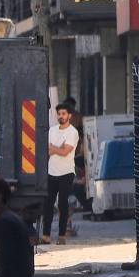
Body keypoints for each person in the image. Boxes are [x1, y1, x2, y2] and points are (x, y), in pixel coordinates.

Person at [43, 102, 79, 245]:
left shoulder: (73, 132)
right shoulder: (52, 131)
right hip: (52, 171)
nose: (61, 116)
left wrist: (55, 149)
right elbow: (48, 149)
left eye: (64, 114)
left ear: (69, 115)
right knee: (48, 203)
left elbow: (65, 152)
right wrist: (57, 148)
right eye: (59, 114)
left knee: (63, 203)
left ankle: (62, 235)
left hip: (66, 172)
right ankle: (46, 235)